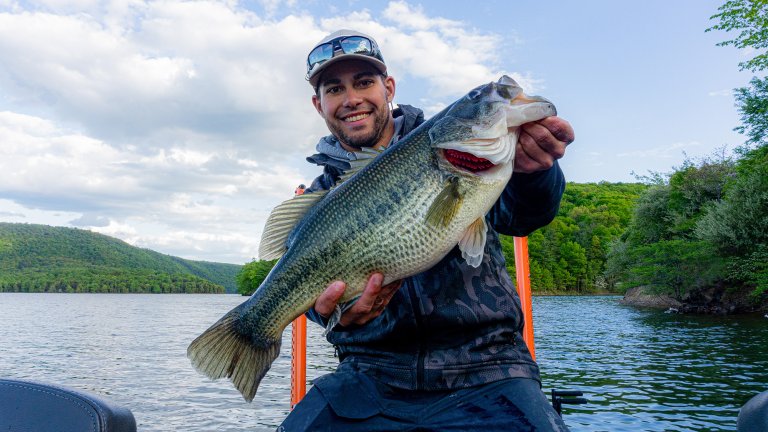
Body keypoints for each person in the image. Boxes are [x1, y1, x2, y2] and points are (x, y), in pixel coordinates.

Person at [278, 29, 575, 431]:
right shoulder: (319, 198)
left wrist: (535, 172)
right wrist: (333, 313)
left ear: (389, 88)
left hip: (489, 366)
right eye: (335, 89)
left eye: (364, 82)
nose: (351, 99)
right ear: (319, 104)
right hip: (369, 374)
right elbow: (311, 293)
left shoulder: (458, 152)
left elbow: (523, 216)